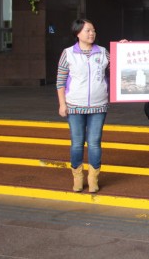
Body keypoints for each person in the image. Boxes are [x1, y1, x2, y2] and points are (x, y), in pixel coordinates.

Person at [56, 19, 109, 193]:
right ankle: (77, 177)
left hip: (98, 105)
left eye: (93, 30)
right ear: (77, 33)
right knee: (77, 143)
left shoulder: (103, 52)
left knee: (94, 143)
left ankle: (93, 178)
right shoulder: (68, 53)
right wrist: (62, 104)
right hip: (75, 105)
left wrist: (123, 48)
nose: (92, 33)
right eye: (87, 30)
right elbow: (60, 81)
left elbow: (122, 64)